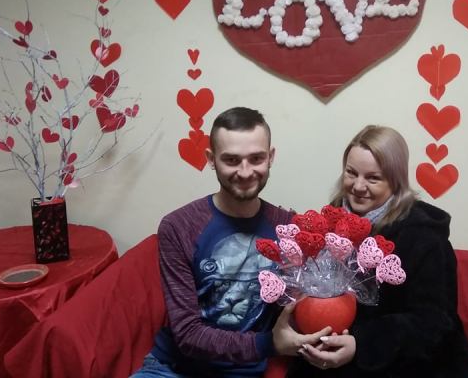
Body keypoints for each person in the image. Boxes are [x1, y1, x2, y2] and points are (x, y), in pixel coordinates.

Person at [131, 107, 330, 378]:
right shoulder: (178, 227)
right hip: (173, 368)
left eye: (256, 158)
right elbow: (187, 334)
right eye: (232, 160)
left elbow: (309, 304)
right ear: (211, 160)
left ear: (270, 157)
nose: (245, 172)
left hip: (245, 372)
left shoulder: (288, 228)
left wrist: (337, 343)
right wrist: (269, 344)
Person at [292, 125, 468, 377]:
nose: (358, 186)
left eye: (373, 178)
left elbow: (435, 323)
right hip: (340, 352)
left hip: (411, 362)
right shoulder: (330, 221)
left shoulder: (423, 235)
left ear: (396, 180)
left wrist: (361, 344)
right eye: (351, 173)